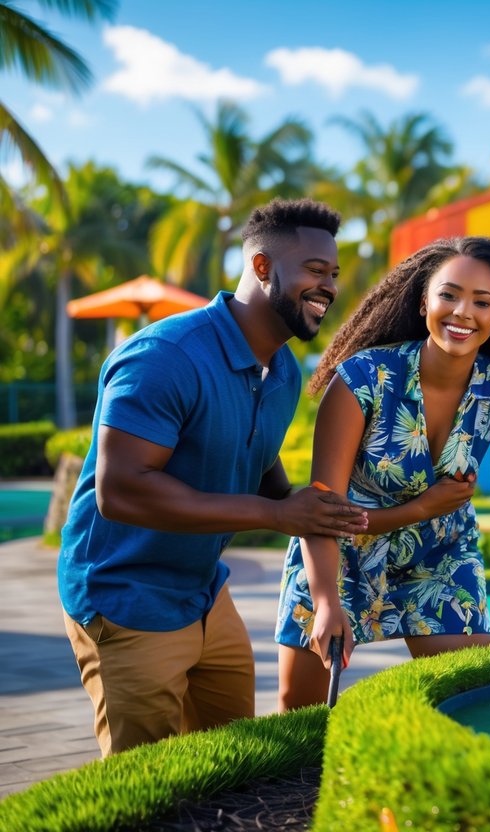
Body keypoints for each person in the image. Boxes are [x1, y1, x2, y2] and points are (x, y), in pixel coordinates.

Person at [58, 199, 369, 756]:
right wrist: (276, 515)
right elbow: (121, 490)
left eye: (334, 275)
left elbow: (255, 446)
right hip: (125, 593)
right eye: (315, 271)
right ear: (262, 267)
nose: (328, 287)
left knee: (230, 759)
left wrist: (290, 498)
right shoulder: (165, 358)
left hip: (203, 590)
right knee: (148, 783)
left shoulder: (283, 371)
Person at [276, 237, 490, 710]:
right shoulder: (362, 377)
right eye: (448, 295)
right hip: (335, 556)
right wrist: (326, 602)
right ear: (423, 300)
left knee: (467, 697)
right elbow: (321, 511)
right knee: (299, 710)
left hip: (439, 556)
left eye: (481, 302)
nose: (462, 312)